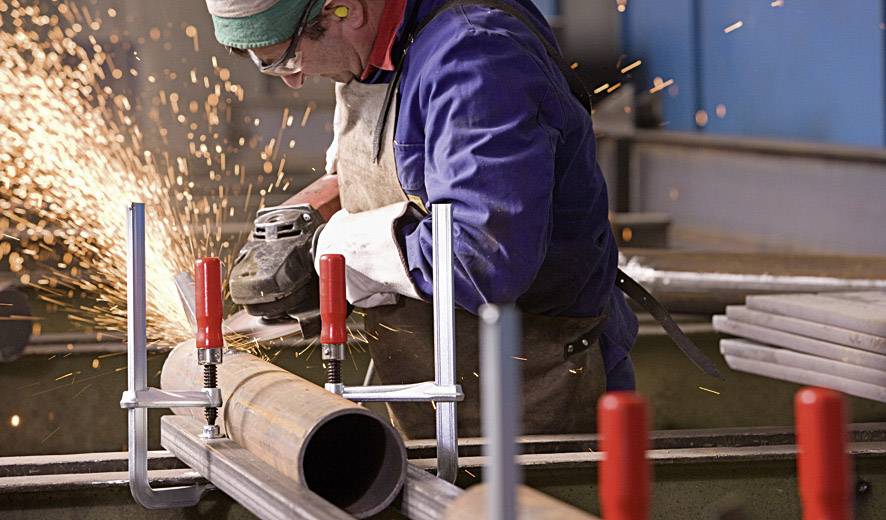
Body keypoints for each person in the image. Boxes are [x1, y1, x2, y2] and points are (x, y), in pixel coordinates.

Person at [206, 0, 639, 439]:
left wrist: (333, 250)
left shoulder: (475, 56)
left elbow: (482, 258)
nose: (295, 80)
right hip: (436, 377)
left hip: (531, 378)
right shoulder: (376, 51)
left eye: (289, 58)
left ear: (345, 10)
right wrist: (304, 216)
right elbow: (406, 176)